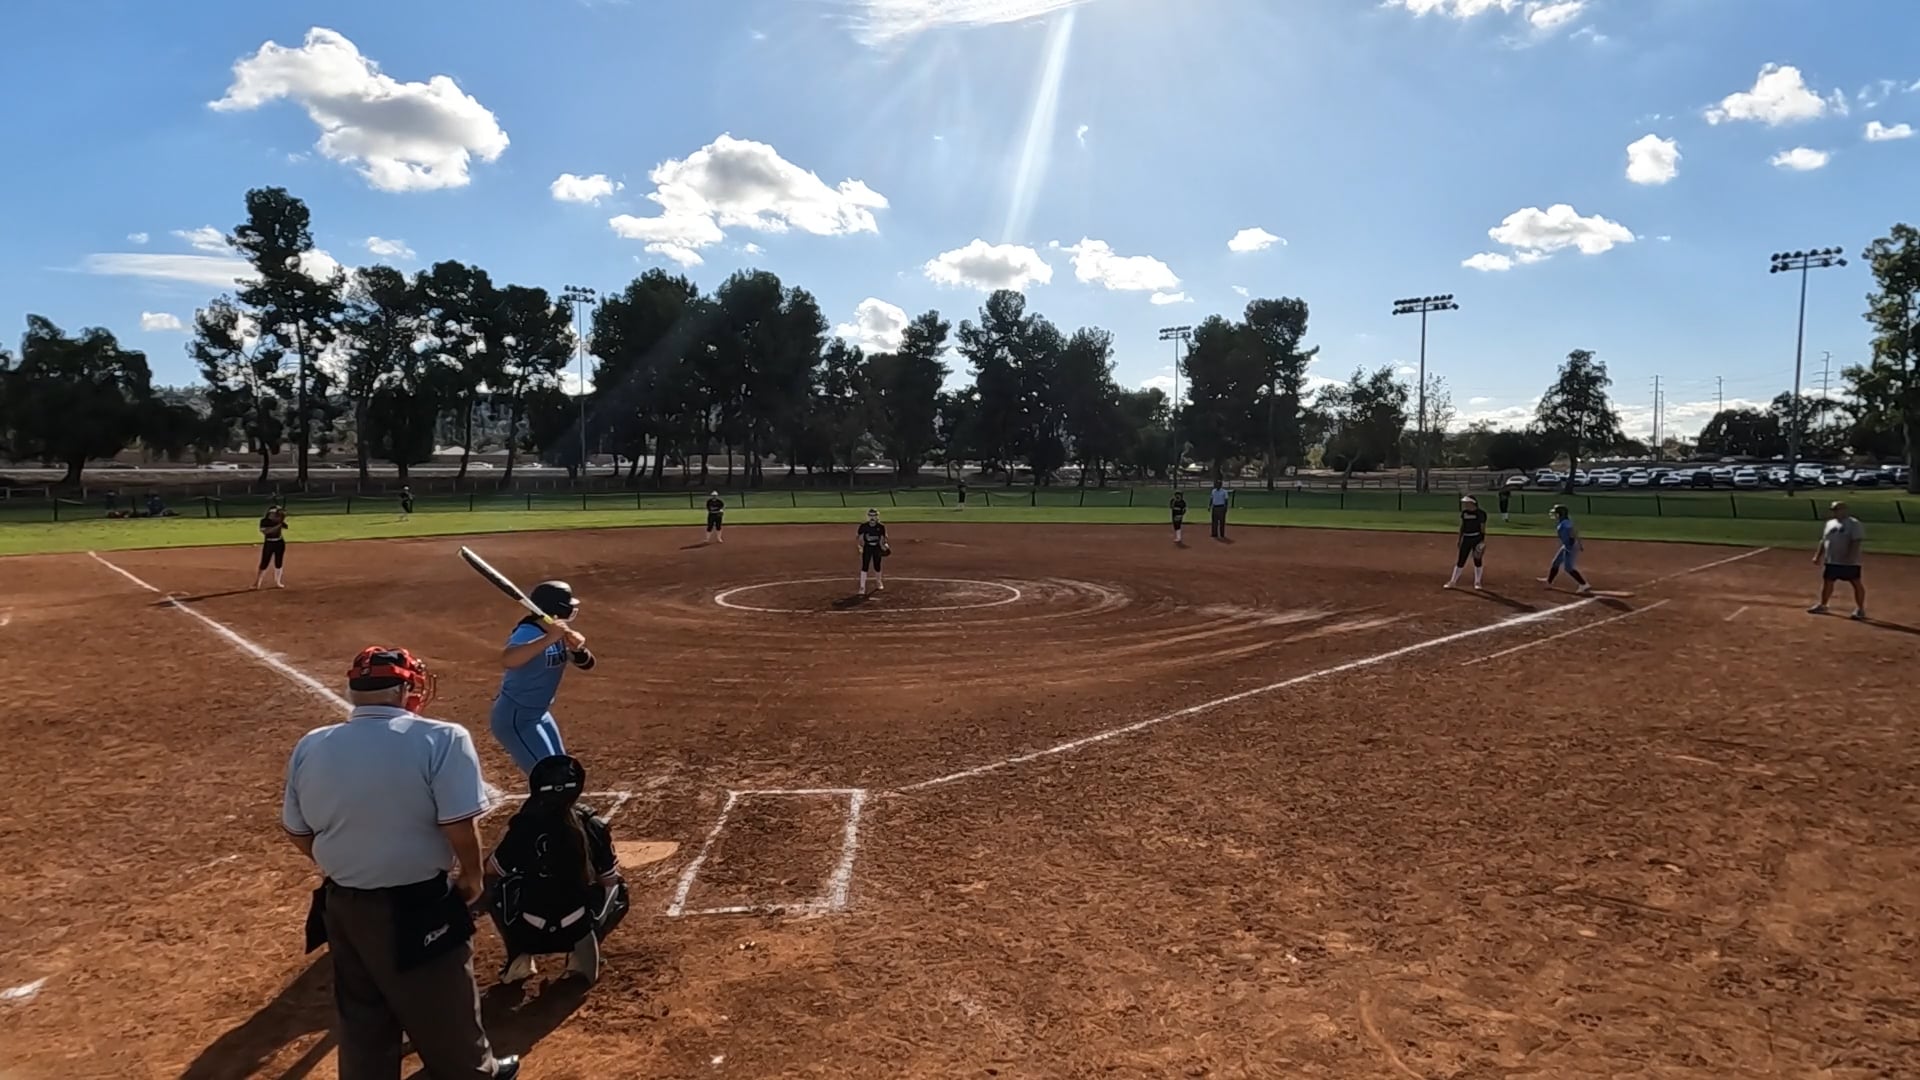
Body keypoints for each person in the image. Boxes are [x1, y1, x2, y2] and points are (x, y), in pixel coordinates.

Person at [281, 646, 520, 1080]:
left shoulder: (311, 745)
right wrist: (470, 876)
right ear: (405, 690)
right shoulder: (442, 737)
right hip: (418, 905)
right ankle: (473, 1074)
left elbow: (297, 830)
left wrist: (347, 862)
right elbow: (458, 824)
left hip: (343, 905)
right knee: (446, 1005)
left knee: (362, 1014)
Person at [486, 755, 628, 987]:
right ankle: (582, 954)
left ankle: (518, 957)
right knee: (618, 889)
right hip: (576, 930)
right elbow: (608, 880)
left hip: (528, 931)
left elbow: (493, 869)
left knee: (495, 884)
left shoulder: (524, 826)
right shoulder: (592, 825)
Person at [490, 583, 595, 776]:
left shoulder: (557, 631)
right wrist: (549, 639)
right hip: (516, 717)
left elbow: (587, 664)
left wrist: (578, 649)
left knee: (563, 772)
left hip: (539, 714)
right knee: (550, 778)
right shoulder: (529, 632)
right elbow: (509, 660)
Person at [1809, 500, 1867, 620]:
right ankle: (1823, 605)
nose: (1834, 512)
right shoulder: (1830, 523)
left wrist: (1850, 556)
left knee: (1856, 583)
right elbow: (1824, 540)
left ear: (1844, 510)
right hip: (1831, 560)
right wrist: (1817, 556)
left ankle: (1860, 609)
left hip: (1849, 561)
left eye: (1837, 509)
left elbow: (1856, 541)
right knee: (1827, 582)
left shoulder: (1853, 523)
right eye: (1833, 510)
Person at [1540, 504, 1594, 596]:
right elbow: (1575, 533)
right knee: (1556, 562)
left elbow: (1572, 533)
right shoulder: (1564, 522)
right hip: (1567, 545)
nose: (1554, 515)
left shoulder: (1565, 523)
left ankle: (1584, 585)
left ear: (1560, 514)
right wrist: (1578, 543)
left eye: (1556, 513)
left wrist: (1571, 546)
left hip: (1570, 546)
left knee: (1568, 568)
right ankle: (1549, 581)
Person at [1446, 495, 1488, 590]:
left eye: (1466, 503)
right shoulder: (1464, 513)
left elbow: (1482, 528)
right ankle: (1453, 581)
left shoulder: (1481, 514)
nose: (1465, 504)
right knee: (1461, 560)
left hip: (1476, 538)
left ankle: (1477, 582)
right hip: (1466, 538)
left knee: (1477, 560)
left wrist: (1482, 541)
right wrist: (1460, 538)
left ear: (1472, 503)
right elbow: (1463, 526)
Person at [254, 505, 288, 590]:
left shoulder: (278, 521)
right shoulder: (264, 521)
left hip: (279, 543)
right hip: (269, 543)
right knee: (264, 562)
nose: (273, 515)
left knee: (278, 562)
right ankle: (257, 583)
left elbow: (286, 527)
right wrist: (278, 525)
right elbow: (266, 531)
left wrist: (282, 519)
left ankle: (278, 582)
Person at [857, 508, 889, 595]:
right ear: (868, 516)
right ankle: (862, 587)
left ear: (877, 516)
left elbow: (883, 537)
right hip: (867, 547)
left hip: (877, 548)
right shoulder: (864, 526)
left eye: (874, 515)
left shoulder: (881, 527)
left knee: (877, 565)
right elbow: (859, 537)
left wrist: (884, 545)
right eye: (870, 515)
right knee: (865, 566)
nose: (872, 517)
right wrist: (860, 546)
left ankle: (879, 582)